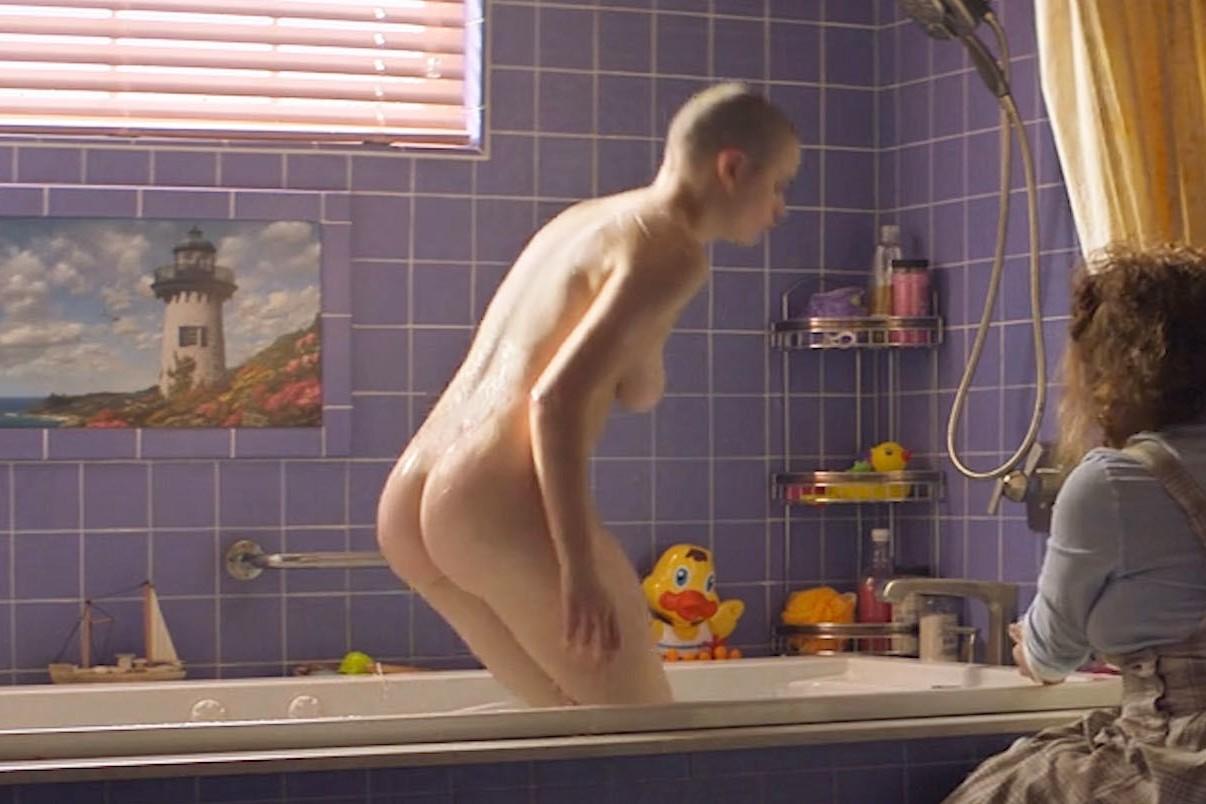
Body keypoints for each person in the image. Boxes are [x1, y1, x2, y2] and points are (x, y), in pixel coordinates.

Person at [375, 83, 800, 707]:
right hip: (488, 499)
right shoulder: (671, 250)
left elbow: (626, 382)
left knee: (567, 728)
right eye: (778, 185)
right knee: (642, 733)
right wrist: (577, 569)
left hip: (414, 493)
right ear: (731, 168)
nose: (779, 208)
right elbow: (555, 401)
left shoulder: (583, 222)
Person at [945, 242, 1206, 803]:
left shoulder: (1115, 481)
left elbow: (1050, 655)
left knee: (1000, 790)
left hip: (1178, 757)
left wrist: (1031, 645)